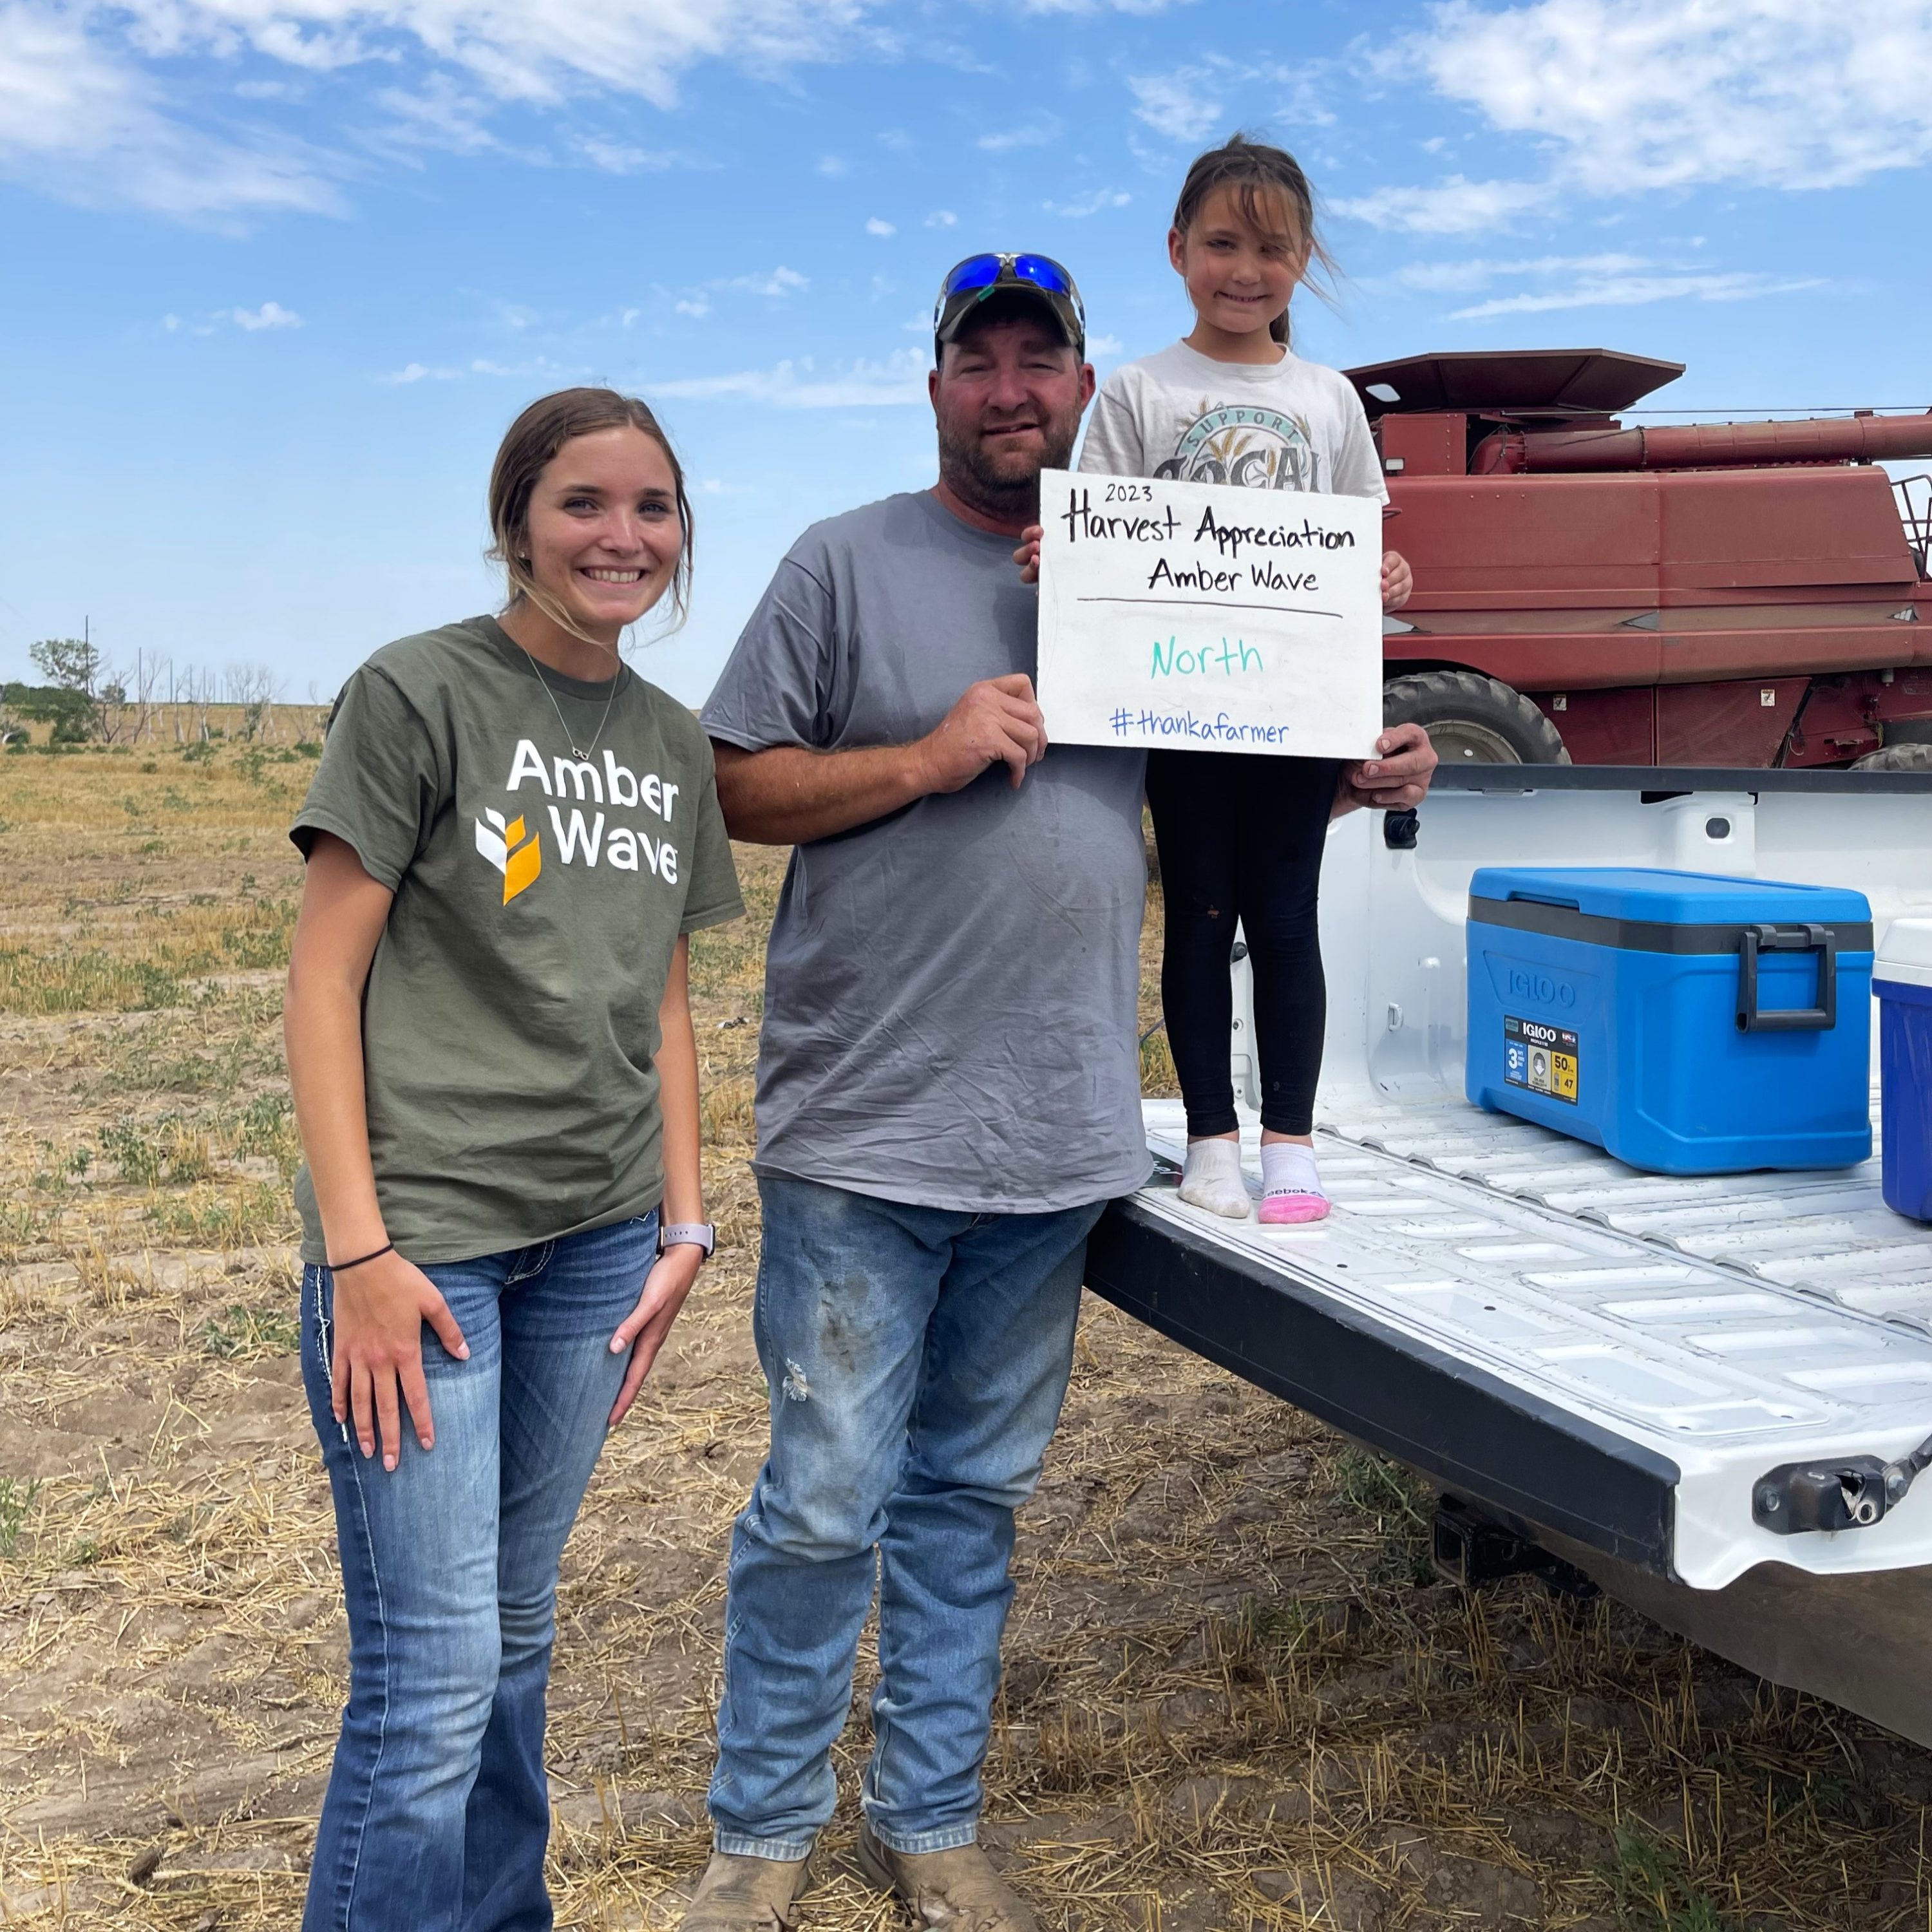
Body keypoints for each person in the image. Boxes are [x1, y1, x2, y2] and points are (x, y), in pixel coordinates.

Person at [681, 256, 1436, 1932]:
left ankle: (929, 1823)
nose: (1012, 386)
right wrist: (927, 758)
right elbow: (734, 786)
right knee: (820, 1502)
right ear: (934, 386)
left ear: (1090, 386)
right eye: (980, 359)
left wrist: (1360, 767)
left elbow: (1218, 806)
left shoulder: (1151, 571)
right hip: (864, 1130)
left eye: (1044, 358)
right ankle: (760, 1837)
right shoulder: (843, 564)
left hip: (1057, 1141)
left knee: (970, 1503)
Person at [284, 387, 743, 1932]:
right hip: (427, 1253)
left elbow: (666, 997)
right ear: (515, 520)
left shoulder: (673, 745)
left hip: (600, 1246)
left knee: (519, 1633)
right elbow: (320, 981)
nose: (623, 536)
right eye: (584, 503)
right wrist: (355, 1255)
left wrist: (684, 1222)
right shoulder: (418, 696)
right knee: (431, 1677)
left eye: (654, 508)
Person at [1075, 133, 1416, 1226]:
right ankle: (1211, 1138)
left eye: (1271, 248)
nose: (1243, 268)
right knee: (1197, 915)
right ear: (1178, 250)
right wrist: (1061, 556)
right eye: (1221, 242)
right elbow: (1095, 532)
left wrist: (1388, 568)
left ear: (1304, 259)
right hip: (1178, 706)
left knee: (1285, 917)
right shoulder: (1137, 390)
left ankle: (1294, 1142)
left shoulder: (1328, 399)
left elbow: (1365, 545)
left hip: (1293, 712)